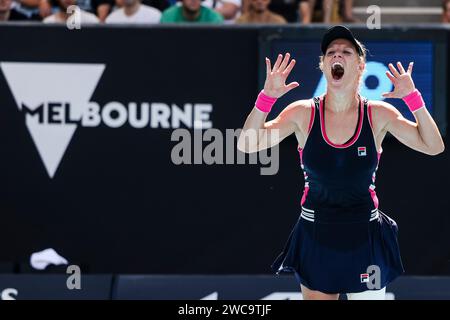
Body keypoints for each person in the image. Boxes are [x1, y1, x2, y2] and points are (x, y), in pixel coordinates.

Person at [237, 25, 445, 300]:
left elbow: (434, 146)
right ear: (323, 65)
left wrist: (413, 99)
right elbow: (247, 145)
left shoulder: (378, 114)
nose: (337, 55)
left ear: (360, 66)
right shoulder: (302, 113)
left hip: (366, 237)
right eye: (331, 52)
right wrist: (266, 100)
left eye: (346, 51)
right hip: (316, 236)